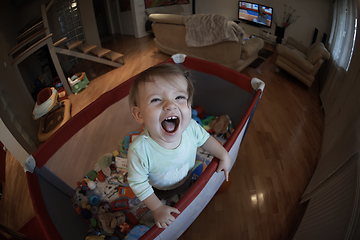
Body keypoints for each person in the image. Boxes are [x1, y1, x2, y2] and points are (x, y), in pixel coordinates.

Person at [127, 63, 231, 229]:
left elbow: (206, 140)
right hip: (158, 189)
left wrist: (224, 155)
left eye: (179, 98)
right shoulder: (139, 151)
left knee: (189, 195)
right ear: (139, 114)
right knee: (162, 212)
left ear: (189, 104)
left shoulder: (191, 127)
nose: (170, 105)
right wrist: (157, 207)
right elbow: (139, 183)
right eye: (156, 99)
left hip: (187, 176)